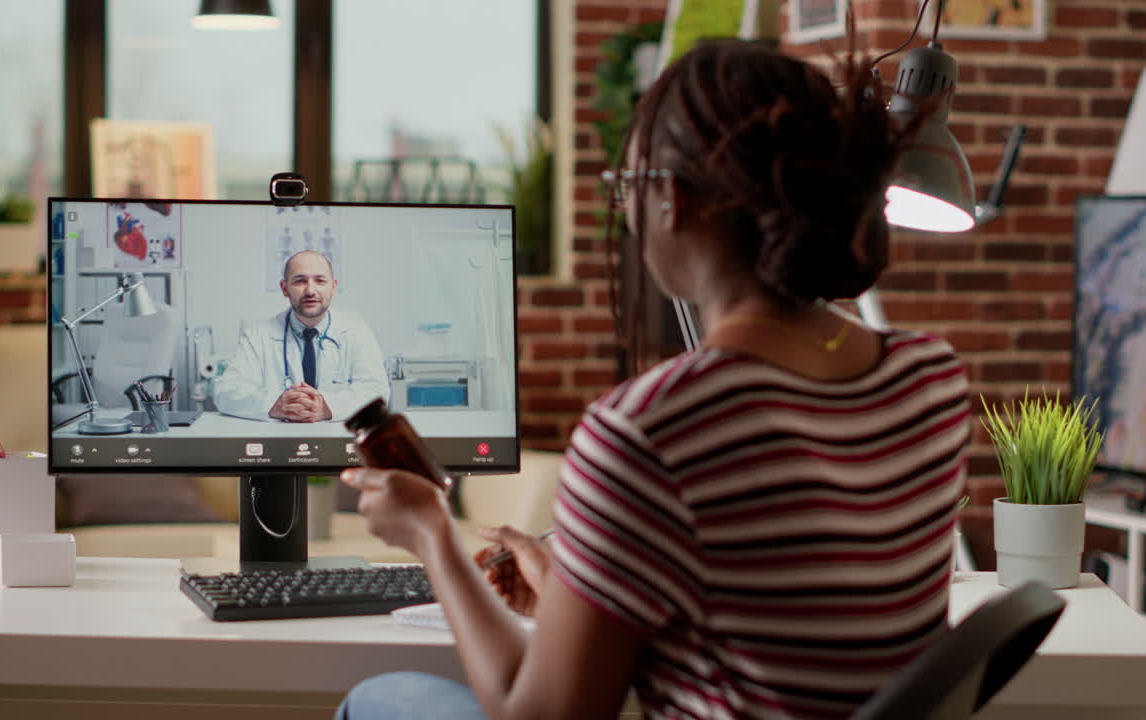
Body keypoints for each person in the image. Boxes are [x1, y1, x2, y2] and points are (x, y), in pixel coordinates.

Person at [338, 38, 971, 719]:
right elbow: (783, 613)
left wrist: (431, 535)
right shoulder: (930, 378)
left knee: (378, 699)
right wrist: (579, 595)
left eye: (626, 188)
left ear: (671, 199)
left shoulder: (649, 429)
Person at [214, 250, 390, 422]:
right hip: (277, 441)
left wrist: (328, 407)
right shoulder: (258, 334)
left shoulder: (356, 332)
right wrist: (274, 403)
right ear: (284, 288)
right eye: (300, 281)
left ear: (333, 287)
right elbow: (226, 390)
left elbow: (377, 390)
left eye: (320, 280)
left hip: (337, 439)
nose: (310, 290)